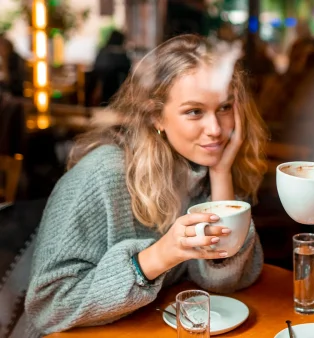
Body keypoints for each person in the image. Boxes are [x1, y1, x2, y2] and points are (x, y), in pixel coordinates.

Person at [25, 34, 268, 336]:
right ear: (157, 117)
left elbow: (225, 283)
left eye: (225, 107)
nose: (216, 129)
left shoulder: (206, 167)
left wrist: (221, 175)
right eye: (194, 111)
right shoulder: (102, 176)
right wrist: (160, 255)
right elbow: (47, 308)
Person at [93, 30, 132, 106]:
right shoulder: (123, 54)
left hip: (104, 88)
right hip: (120, 88)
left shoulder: (104, 52)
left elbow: (98, 70)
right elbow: (128, 71)